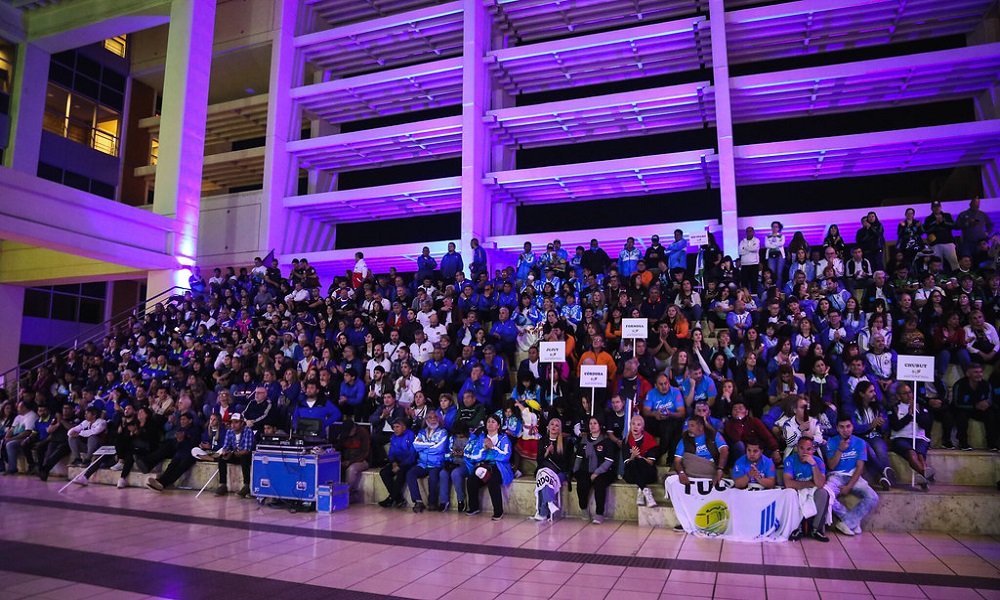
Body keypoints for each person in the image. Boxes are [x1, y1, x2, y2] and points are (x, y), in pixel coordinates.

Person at [824, 414, 879, 536]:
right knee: (825, 494)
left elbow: (860, 467)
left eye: (848, 426)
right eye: (842, 427)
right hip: (836, 475)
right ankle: (851, 519)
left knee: (873, 497)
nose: (845, 430)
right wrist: (840, 450)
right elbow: (831, 466)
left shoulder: (860, 443)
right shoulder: (831, 442)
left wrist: (849, 486)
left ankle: (847, 523)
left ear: (852, 427)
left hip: (854, 476)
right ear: (837, 428)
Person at [465, 413, 514, 520]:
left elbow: (505, 456)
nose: (490, 424)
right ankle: (474, 507)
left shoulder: (504, 438)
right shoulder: (481, 438)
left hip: (499, 467)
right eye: (488, 422)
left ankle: (498, 511)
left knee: (492, 480)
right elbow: (475, 455)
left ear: (498, 426)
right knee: (471, 480)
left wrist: (493, 447)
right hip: (484, 465)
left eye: (493, 422)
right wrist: (484, 449)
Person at [783, 437, 831, 542]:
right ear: (797, 448)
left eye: (808, 449)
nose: (805, 452)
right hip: (797, 491)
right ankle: (796, 528)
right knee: (790, 492)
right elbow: (788, 483)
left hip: (812, 490)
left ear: (813, 450)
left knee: (823, 493)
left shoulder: (818, 462)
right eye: (801, 448)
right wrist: (809, 483)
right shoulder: (790, 460)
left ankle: (816, 529)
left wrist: (813, 465)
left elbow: (820, 484)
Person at [889, 384, 935, 490]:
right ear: (898, 396)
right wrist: (909, 415)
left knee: (920, 456)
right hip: (900, 438)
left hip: (919, 438)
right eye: (905, 393)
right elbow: (896, 426)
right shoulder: (893, 409)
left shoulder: (920, 407)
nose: (909, 396)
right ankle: (926, 475)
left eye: (910, 392)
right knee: (911, 453)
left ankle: (924, 479)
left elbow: (926, 425)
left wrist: (915, 414)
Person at [145, 411, 202, 492]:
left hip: (190, 455)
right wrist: (179, 441)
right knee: (171, 466)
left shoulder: (195, 430)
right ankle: (160, 482)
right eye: (181, 419)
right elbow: (176, 445)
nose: (181, 421)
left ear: (190, 420)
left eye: (184, 419)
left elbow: (194, 445)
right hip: (180, 453)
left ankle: (163, 484)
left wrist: (183, 440)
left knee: (179, 468)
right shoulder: (181, 430)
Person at [573, 416, 616, 524]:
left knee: (600, 484)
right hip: (586, 470)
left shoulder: (607, 441)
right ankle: (583, 509)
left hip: (604, 471)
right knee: (582, 482)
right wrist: (575, 471)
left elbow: (609, 461)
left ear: (600, 425)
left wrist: (596, 473)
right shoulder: (583, 440)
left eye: (595, 423)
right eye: (590, 423)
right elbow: (579, 457)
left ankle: (599, 514)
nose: (592, 425)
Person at [406, 411, 448, 512]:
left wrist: (424, 445)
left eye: (435, 417)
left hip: (436, 464)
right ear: (426, 420)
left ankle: (432, 503)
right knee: (410, 473)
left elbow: (439, 448)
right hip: (422, 463)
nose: (433, 419)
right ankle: (418, 501)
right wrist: (432, 444)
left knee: (433, 478)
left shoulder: (443, 432)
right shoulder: (421, 432)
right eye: (430, 417)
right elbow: (416, 446)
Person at [952, 363, 998, 451]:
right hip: (963, 409)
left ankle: (992, 444)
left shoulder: (986, 385)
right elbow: (957, 403)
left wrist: (985, 405)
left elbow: (989, 401)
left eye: (981, 372)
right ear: (968, 374)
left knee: (991, 413)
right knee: (961, 415)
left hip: (979, 410)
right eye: (976, 372)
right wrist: (975, 406)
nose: (979, 374)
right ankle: (963, 443)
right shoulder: (959, 385)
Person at [533, 417, 571, 521]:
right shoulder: (542, 441)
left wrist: (553, 453)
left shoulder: (565, 442)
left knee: (545, 477)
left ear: (560, 429)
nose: (554, 427)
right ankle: (549, 502)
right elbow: (539, 461)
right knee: (545, 474)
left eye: (557, 425)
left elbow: (565, 462)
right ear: (548, 427)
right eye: (552, 424)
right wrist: (546, 453)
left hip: (558, 472)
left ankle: (543, 513)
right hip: (543, 470)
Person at [642, 374, 686, 462]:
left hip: (671, 421)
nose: (664, 386)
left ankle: (664, 452)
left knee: (672, 424)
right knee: (645, 420)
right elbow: (645, 411)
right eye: (661, 384)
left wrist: (671, 414)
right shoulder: (651, 393)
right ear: (656, 385)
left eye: (666, 383)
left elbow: (682, 412)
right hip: (656, 421)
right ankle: (646, 454)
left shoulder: (676, 392)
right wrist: (655, 414)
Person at [378, 417, 417, 508]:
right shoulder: (393, 437)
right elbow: (391, 453)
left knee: (401, 473)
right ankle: (398, 499)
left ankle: (391, 499)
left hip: (408, 462)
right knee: (384, 473)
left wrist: (400, 466)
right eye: (394, 427)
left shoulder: (411, 435)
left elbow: (412, 455)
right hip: (397, 461)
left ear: (404, 427)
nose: (395, 429)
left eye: (397, 427)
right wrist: (394, 463)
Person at [623, 414, 660, 507]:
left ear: (642, 427)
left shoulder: (649, 440)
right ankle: (645, 490)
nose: (635, 427)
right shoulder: (626, 441)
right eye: (633, 424)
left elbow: (650, 462)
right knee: (633, 463)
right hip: (631, 474)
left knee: (639, 461)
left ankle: (641, 489)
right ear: (630, 425)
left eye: (638, 425)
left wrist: (639, 456)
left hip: (647, 472)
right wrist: (632, 456)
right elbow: (627, 462)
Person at [215, 413, 254, 498]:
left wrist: (232, 453)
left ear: (242, 423)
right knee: (221, 458)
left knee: (244, 458)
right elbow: (226, 446)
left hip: (246, 456)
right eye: (232, 422)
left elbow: (247, 450)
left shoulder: (248, 431)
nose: (233, 425)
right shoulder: (229, 431)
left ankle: (246, 486)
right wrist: (225, 453)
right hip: (235, 454)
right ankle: (223, 485)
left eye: (236, 422)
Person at [3, 400, 38, 475]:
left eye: (18, 407)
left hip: (26, 438)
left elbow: (27, 432)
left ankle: (12, 469)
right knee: (3, 442)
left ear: (24, 408)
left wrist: (11, 439)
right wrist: (6, 438)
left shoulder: (31, 416)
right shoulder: (18, 417)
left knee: (10, 444)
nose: (17, 409)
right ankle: (2, 466)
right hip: (16, 436)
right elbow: (11, 429)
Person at [739, 226, 761, 293]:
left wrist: (745, 248)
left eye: (750, 231)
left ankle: (754, 298)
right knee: (744, 283)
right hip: (744, 265)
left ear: (753, 232)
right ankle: (745, 297)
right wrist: (749, 249)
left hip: (754, 264)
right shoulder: (742, 241)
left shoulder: (756, 240)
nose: (749, 233)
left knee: (754, 283)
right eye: (747, 231)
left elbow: (754, 249)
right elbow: (740, 252)